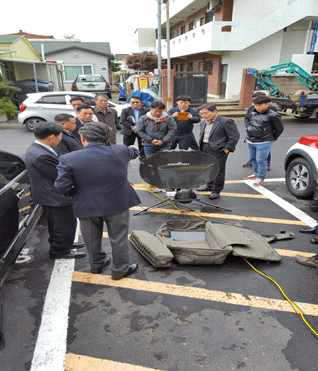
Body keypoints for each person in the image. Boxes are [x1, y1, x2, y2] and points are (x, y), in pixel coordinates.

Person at [55, 122, 140, 278]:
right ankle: (120, 270)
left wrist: (77, 193)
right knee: (119, 237)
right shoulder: (120, 151)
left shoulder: (68, 158)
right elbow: (134, 152)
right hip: (117, 202)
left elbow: (61, 187)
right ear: (106, 136)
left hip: (86, 204)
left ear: (83, 138)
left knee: (91, 239)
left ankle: (96, 265)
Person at [25, 122, 86, 260]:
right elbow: (58, 176)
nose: (60, 139)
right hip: (54, 197)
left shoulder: (37, 149)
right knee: (64, 225)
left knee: (57, 224)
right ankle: (60, 251)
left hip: (49, 195)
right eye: (60, 136)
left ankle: (63, 245)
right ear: (52, 137)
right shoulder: (42, 155)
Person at [197, 103, 240, 200]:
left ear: (215, 112)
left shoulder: (226, 121)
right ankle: (209, 185)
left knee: (218, 170)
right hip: (205, 147)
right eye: (201, 114)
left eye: (205, 113)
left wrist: (227, 149)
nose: (203, 116)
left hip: (219, 150)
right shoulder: (203, 122)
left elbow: (234, 137)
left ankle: (216, 190)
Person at [245, 96, 284, 186]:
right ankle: (255, 173)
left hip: (264, 141)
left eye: (259, 105)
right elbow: (247, 120)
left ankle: (260, 177)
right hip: (251, 140)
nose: (257, 107)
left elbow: (279, 129)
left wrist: (272, 138)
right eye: (255, 105)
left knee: (261, 160)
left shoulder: (273, 115)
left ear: (266, 104)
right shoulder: (252, 112)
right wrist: (248, 129)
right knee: (253, 159)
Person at [243, 92, 279, 170]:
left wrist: (272, 136)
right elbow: (246, 118)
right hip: (252, 135)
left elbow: (277, 126)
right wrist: (248, 127)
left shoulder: (271, 109)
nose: (254, 103)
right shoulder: (252, 108)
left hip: (265, 136)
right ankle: (252, 162)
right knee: (253, 151)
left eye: (255, 100)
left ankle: (267, 165)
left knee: (265, 152)